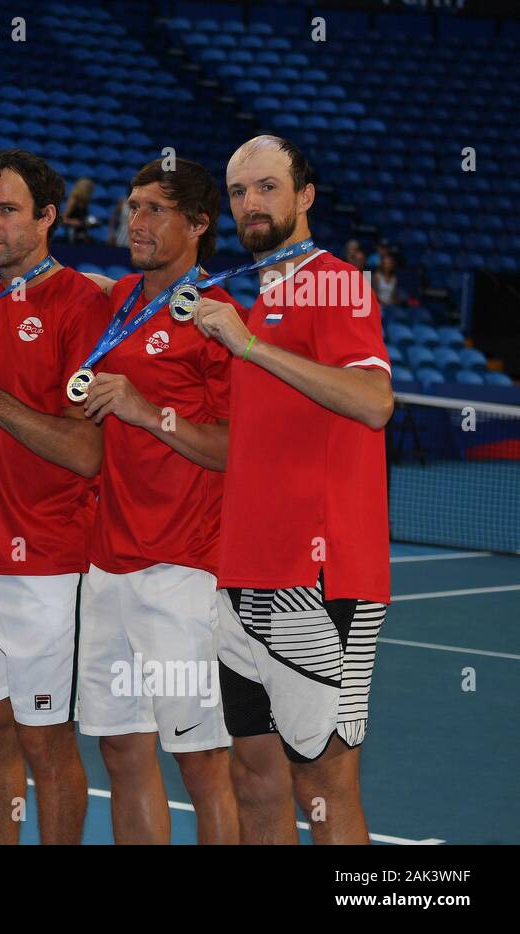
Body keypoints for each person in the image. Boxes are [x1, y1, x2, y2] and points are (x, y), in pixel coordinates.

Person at [195, 135, 393, 844]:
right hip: (244, 572)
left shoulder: (335, 282)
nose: (251, 203)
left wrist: (249, 347)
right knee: (253, 776)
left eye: (268, 187)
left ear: (304, 197)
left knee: (324, 782)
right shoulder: (260, 296)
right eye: (240, 191)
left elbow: (374, 403)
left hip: (318, 575)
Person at [0, 150, 108, 844]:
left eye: (7, 209)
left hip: (48, 564)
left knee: (46, 743)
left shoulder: (82, 305)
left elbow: (87, 449)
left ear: (47, 217)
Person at [73, 158, 243, 844]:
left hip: (182, 570)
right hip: (106, 563)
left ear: (199, 225)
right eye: (132, 206)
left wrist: (150, 414)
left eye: (154, 211)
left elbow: (237, 449)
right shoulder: (117, 303)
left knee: (202, 762)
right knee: (121, 749)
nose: (134, 222)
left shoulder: (218, 319)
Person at [60, 177, 96, 243]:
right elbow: (62, 219)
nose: (92, 191)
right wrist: (74, 222)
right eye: (90, 189)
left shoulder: (85, 202)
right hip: (72, 232)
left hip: (82, 231)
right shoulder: (73, 200)